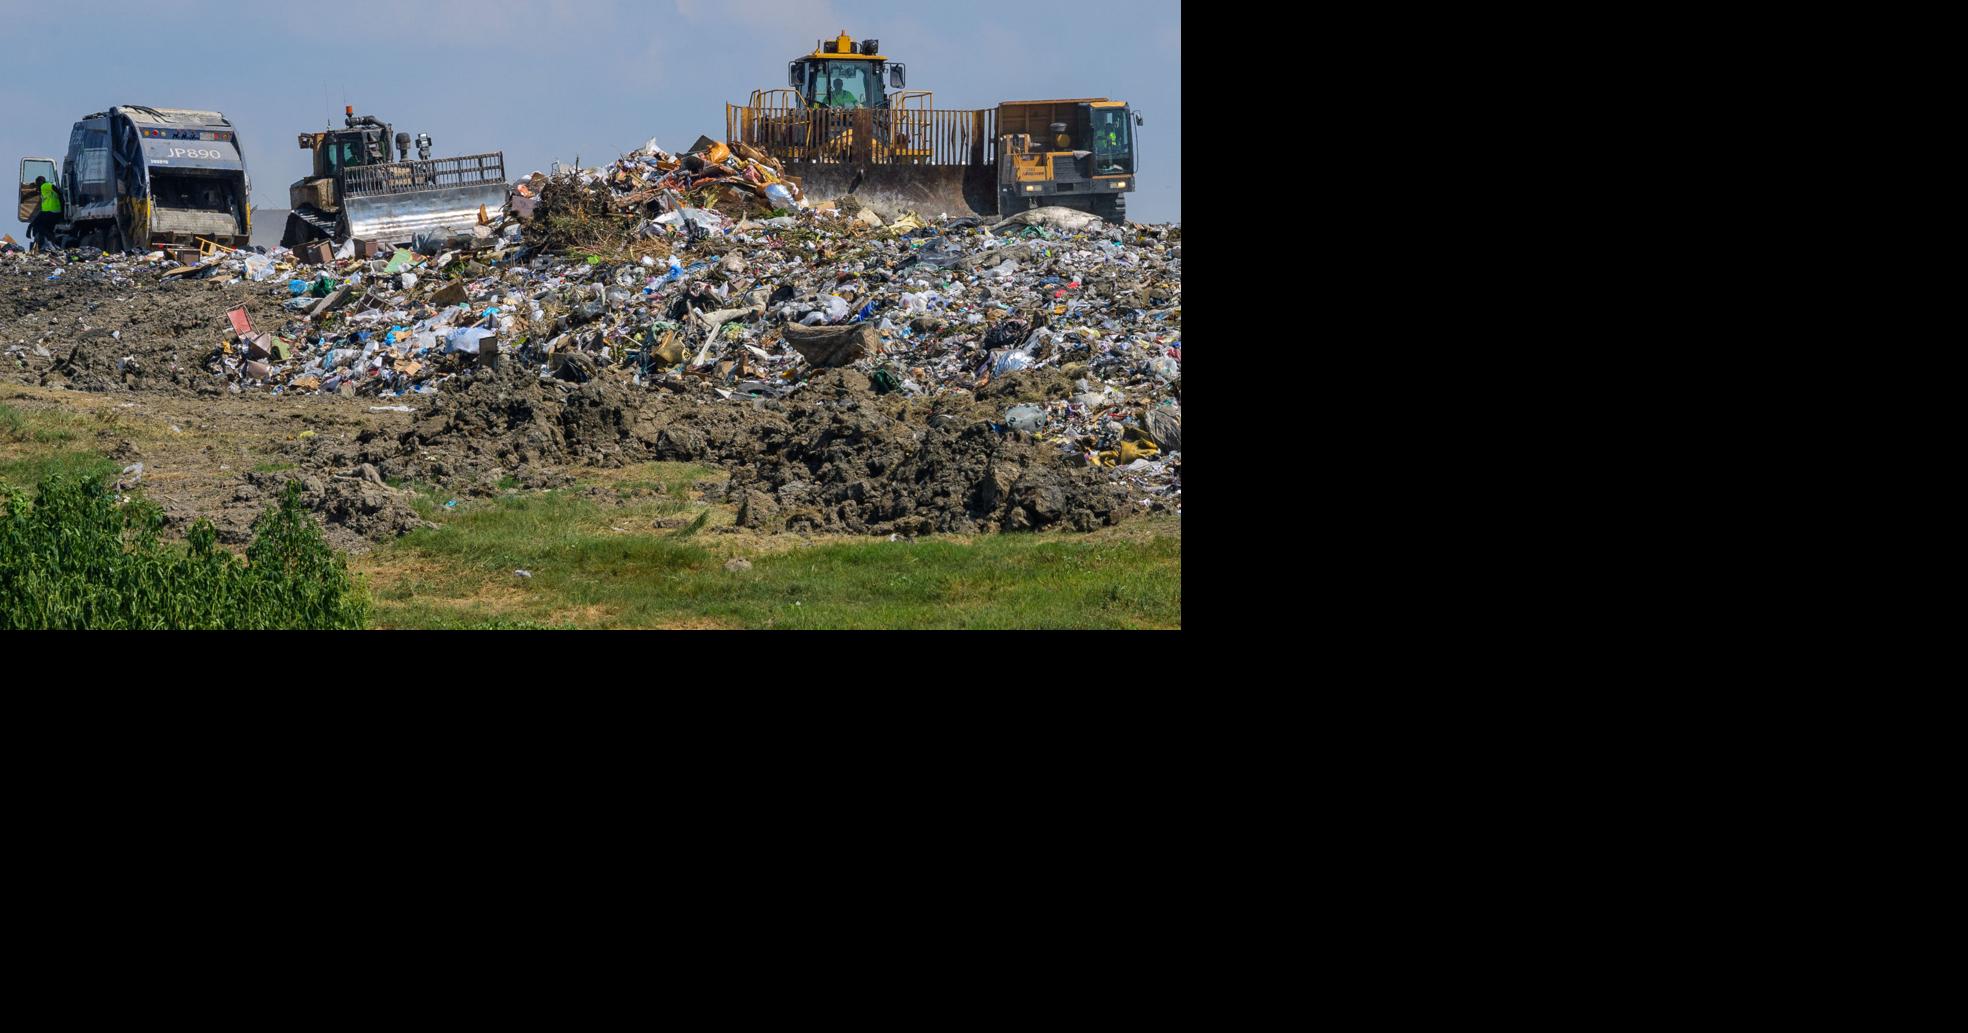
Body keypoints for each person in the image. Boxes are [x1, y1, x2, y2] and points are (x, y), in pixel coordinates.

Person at [27, 176, 62, 251]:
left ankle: (52, 240)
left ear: (40, 182)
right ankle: (52, 244)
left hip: (51, 211)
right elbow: (35, 192)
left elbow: (52, 186)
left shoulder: (44, 186)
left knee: (38, 227)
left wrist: (60, 194)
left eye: (37, 184)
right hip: (52, 211)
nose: (37, 186)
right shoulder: (44, 191)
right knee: (47, 228)